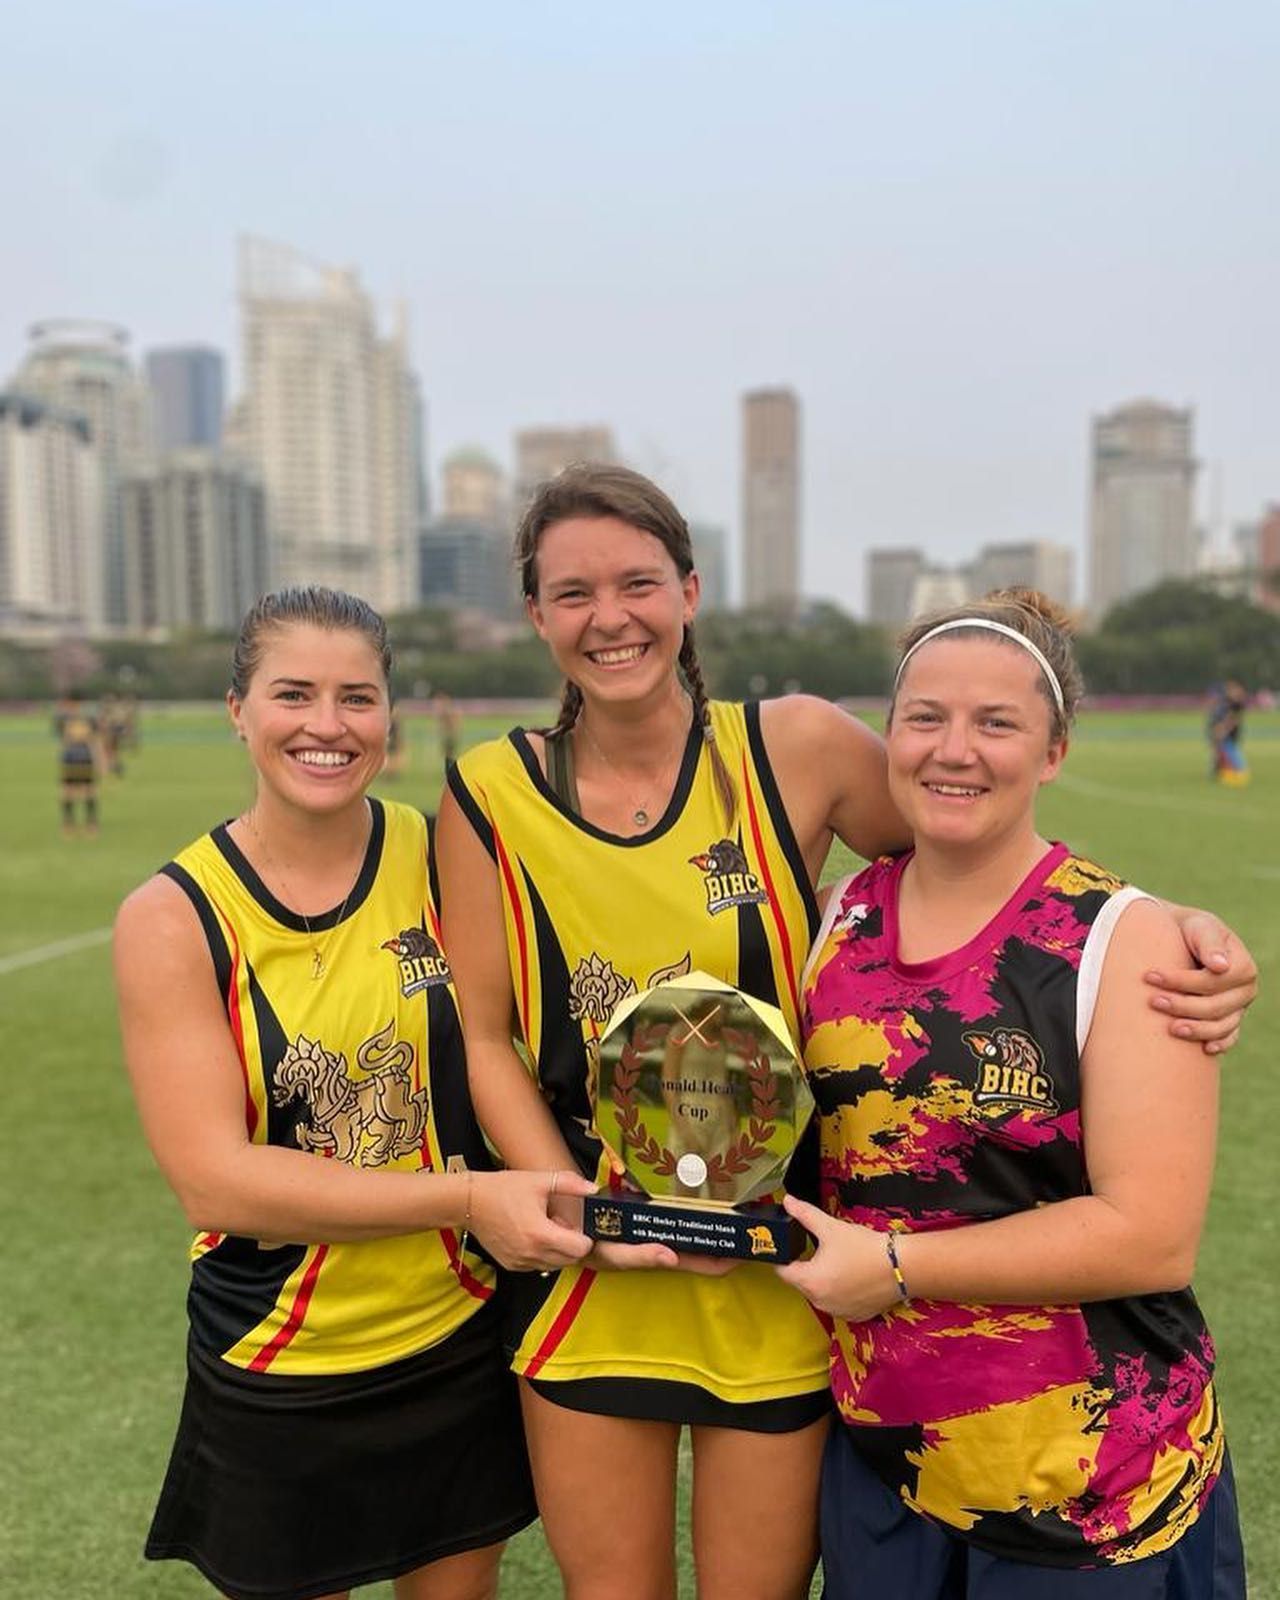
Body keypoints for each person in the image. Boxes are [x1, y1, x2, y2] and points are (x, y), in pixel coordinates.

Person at [435, 466, 1255, 1600]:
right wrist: (576, 1210)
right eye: (572, 591)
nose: (609, 615)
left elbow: (984, 856)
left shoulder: (800, 749)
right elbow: (483, 1034)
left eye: (637, 582)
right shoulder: (491, 793)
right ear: (535, 611)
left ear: (690, 591)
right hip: (623, 1278)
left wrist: (1166, 928)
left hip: (793, 1281)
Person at [114, 586, 595, 1600]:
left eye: (357, 697)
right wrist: (471, 1197)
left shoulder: (441, 851)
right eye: (293, 694)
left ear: (390, 715)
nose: (327, 726)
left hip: (456, 1334)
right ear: (238, 708)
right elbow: (216, 1183)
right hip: (281, 1359)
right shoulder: (173, 915)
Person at [781, 591, 1247, 1597]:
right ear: (890, 734)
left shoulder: (1124, 943)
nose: (954, 749)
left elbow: (1148, 1236)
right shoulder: (826, 924)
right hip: (886, 1475)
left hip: (1098, 1497)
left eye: (995, 723)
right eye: (925, 718)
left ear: (1052, 752)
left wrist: (896, 1269)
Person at [54, 690, 101, 835]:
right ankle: (69, 824)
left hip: (84, 758)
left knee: (89, 791)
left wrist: (98, 759)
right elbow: (63, 740)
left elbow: (93, 740)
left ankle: (91, 824)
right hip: (70, 759)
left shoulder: (88, 718)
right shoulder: (63, 719)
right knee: (67, 792)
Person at [1207, 679, 1250, 786]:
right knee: (1226, 753)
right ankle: (1226, 772)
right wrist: (1220, 731)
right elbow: (1220, 721)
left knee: (1229, 752)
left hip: (1229, 733)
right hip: (1224, 733)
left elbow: (1233, 719)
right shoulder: (1226, 704)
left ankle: (1235, 771)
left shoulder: (1236, 704)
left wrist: (1224, 729)